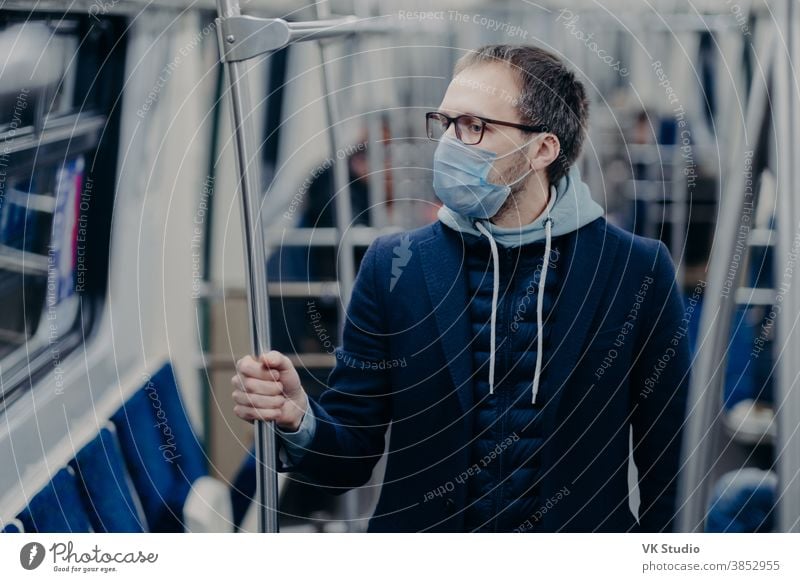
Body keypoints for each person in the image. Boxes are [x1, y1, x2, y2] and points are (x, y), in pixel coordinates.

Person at [231, 44, 691, 532]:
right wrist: (298, 418)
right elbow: (349, 454)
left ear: (542, 149)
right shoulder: (394, 267)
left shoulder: (635, 271)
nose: (449, 142)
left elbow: (670, 462)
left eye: (475, 126)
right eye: (446, 123)